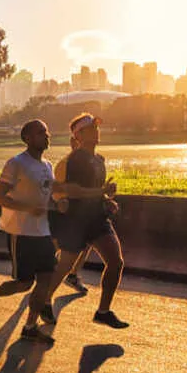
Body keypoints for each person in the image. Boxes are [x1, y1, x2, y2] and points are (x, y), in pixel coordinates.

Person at [0, 120, 65, 343]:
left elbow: (48, 193)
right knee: (24, 283)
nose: (47, 135)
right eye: (41, 132)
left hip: (42, 232)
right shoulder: (16, 163)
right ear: (28, 138)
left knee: (46, 279)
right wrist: (27, 208)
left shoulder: (47, 166)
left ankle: (30, 325)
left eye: (47, 131)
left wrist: (59, 203)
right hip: (20, 232)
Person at [47, 113, 127, 328]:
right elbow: (74, 192)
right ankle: (44, 301)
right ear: (78, 135)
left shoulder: (99, 160)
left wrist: (107, 200)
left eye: (96, 128)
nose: (96, 131)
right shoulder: (75, 160)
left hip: (98, 218)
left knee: (116, 262)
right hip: (76, 220)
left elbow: (95, 192)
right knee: (65, 265)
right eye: (91, 129)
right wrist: (102, 191)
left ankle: (103, 311)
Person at [51, 135, 90, 294]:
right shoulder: (64, 165)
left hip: (83, 211)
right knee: (59, 247)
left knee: (85, 244)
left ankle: (72, 275)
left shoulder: (90, 163)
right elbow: (57, 190)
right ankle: (47, 281)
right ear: (74, 143)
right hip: (65, 212)